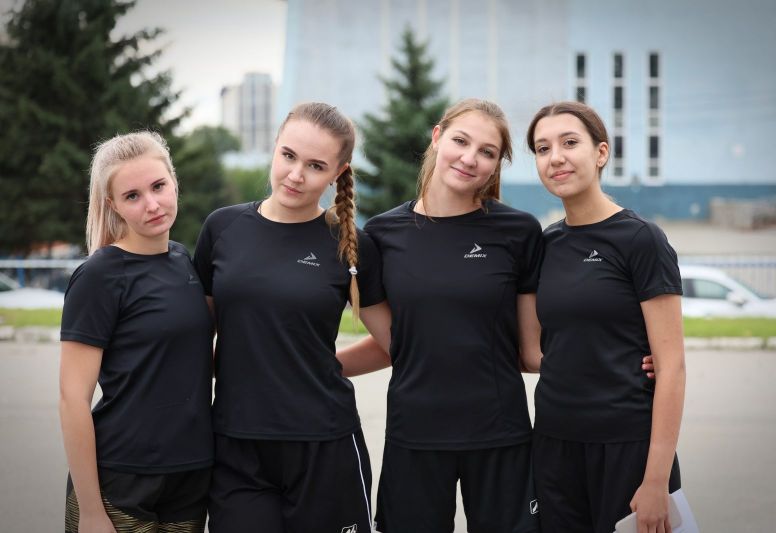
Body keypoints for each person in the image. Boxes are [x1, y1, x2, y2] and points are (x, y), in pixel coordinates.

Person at [338, 98, 545, 533]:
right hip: (414, 435)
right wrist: (314, 367)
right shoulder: (382, 235)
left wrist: (619, 359)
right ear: (437, 137)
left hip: (500, 435)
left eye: (487, 152)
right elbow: (399, 343)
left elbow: (533, 352)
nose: (470, 158)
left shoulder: (519, 232)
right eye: (461, 141)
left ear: (496, 165)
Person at [193, 102, 391, 533]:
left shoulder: (350, 244)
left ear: (338, 173)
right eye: (288, 156)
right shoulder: (222, 229)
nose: (296, 174)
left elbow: (393, 345)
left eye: (315, 165)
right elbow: (194, 338)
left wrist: (320, 366)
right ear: (275, 147)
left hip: (325, 444)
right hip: (237, 448)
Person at [526, 101, 685, 533]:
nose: (555, 157)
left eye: (569, 143)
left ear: (600, 153)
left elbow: (671, 367)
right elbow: (537, 349)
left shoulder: (641, 240)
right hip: (555, 445)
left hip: (627, 447)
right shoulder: (546, 244)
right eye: (542, 148)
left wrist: (656, 480)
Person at [59, 131, 214, 532]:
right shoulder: (99, 276)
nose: (152, 204)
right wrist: (91, 511)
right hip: (120, 481)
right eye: (132, 196)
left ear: (174, 182)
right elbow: (72, 399)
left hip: (190, 478)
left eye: (158, 186)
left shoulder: (184, 261)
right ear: (113, 204)